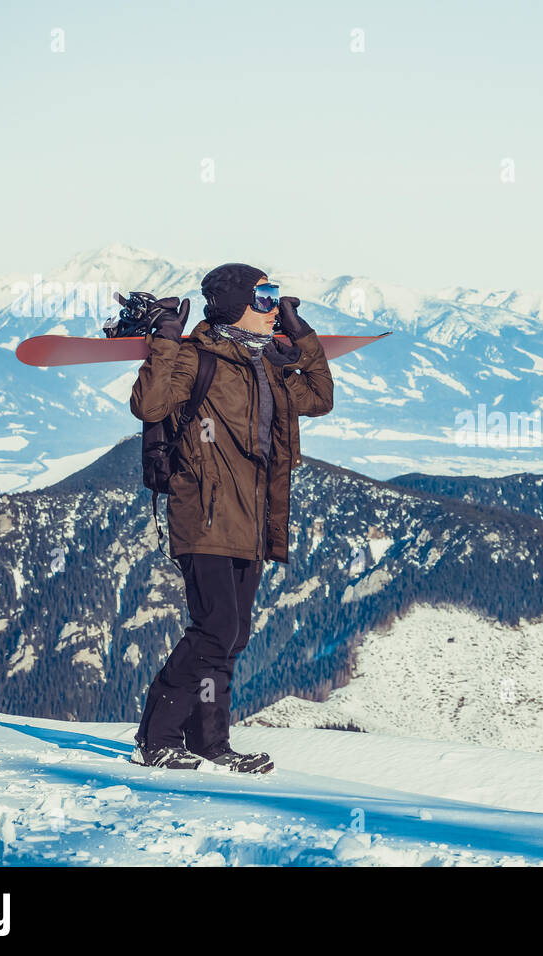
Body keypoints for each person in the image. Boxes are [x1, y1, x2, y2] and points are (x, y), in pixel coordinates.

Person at [126, 263, 333, 772]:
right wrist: (165, 341)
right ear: (237, 303)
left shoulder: (263, 365)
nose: (273, 307)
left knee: (231, 637)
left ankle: (209, 741)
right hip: (206, 515)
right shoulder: (197, 359)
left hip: (252, 519)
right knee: (214, 628)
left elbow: (320, 399)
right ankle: (157, 737)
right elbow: (148, 404)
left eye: (276, 297)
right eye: (264, 298)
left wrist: (303, 339)